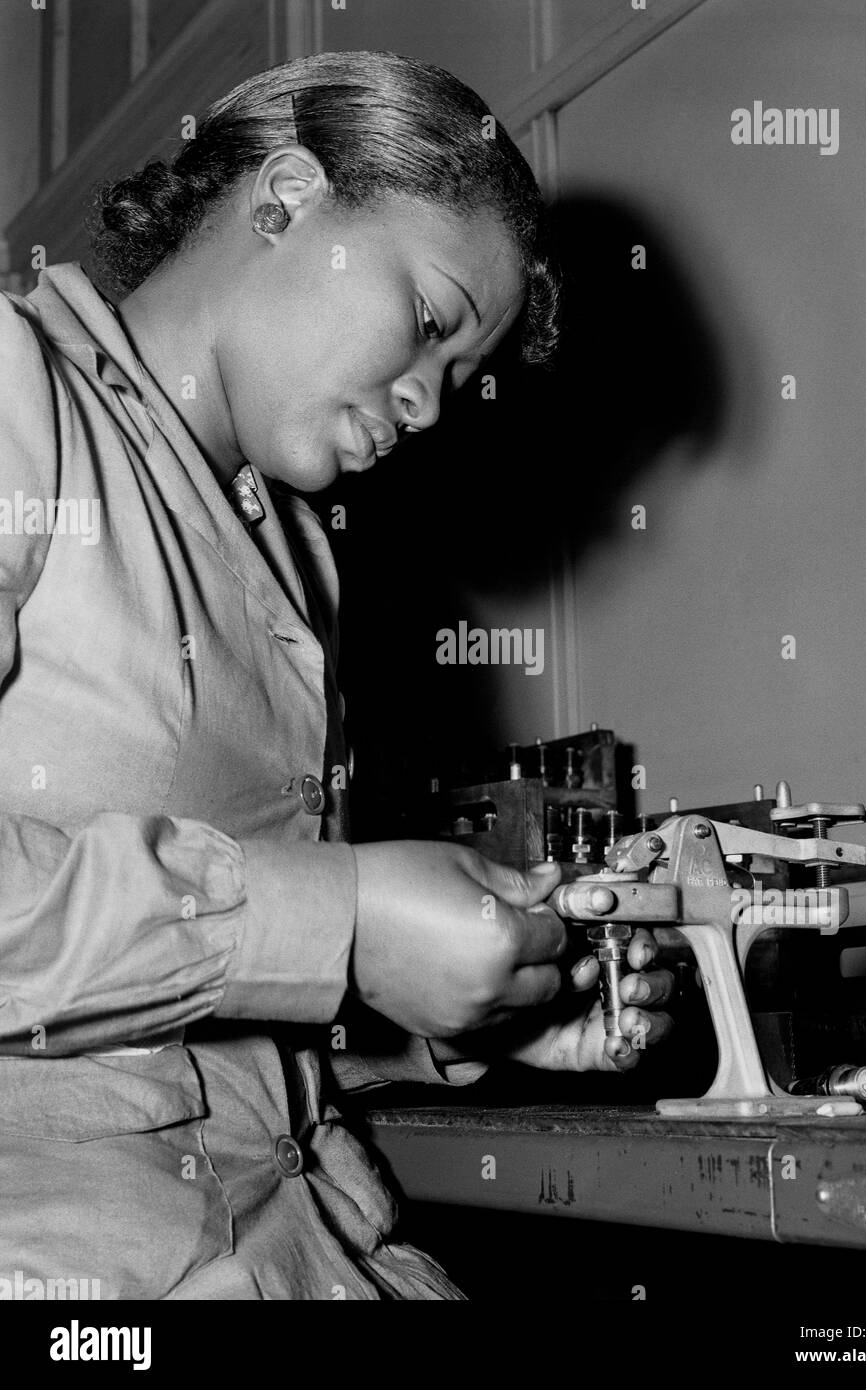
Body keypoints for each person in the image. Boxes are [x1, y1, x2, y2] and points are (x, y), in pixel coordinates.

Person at [0, 50, 672, 1300]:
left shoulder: (297, 560)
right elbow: (281, 931)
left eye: (457, 379)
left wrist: (467, 1025)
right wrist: (347, 923)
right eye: (427, 323)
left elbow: (211, 1055)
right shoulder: (13, 395)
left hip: (322, 1244)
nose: (426, 405)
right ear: (286, 196)